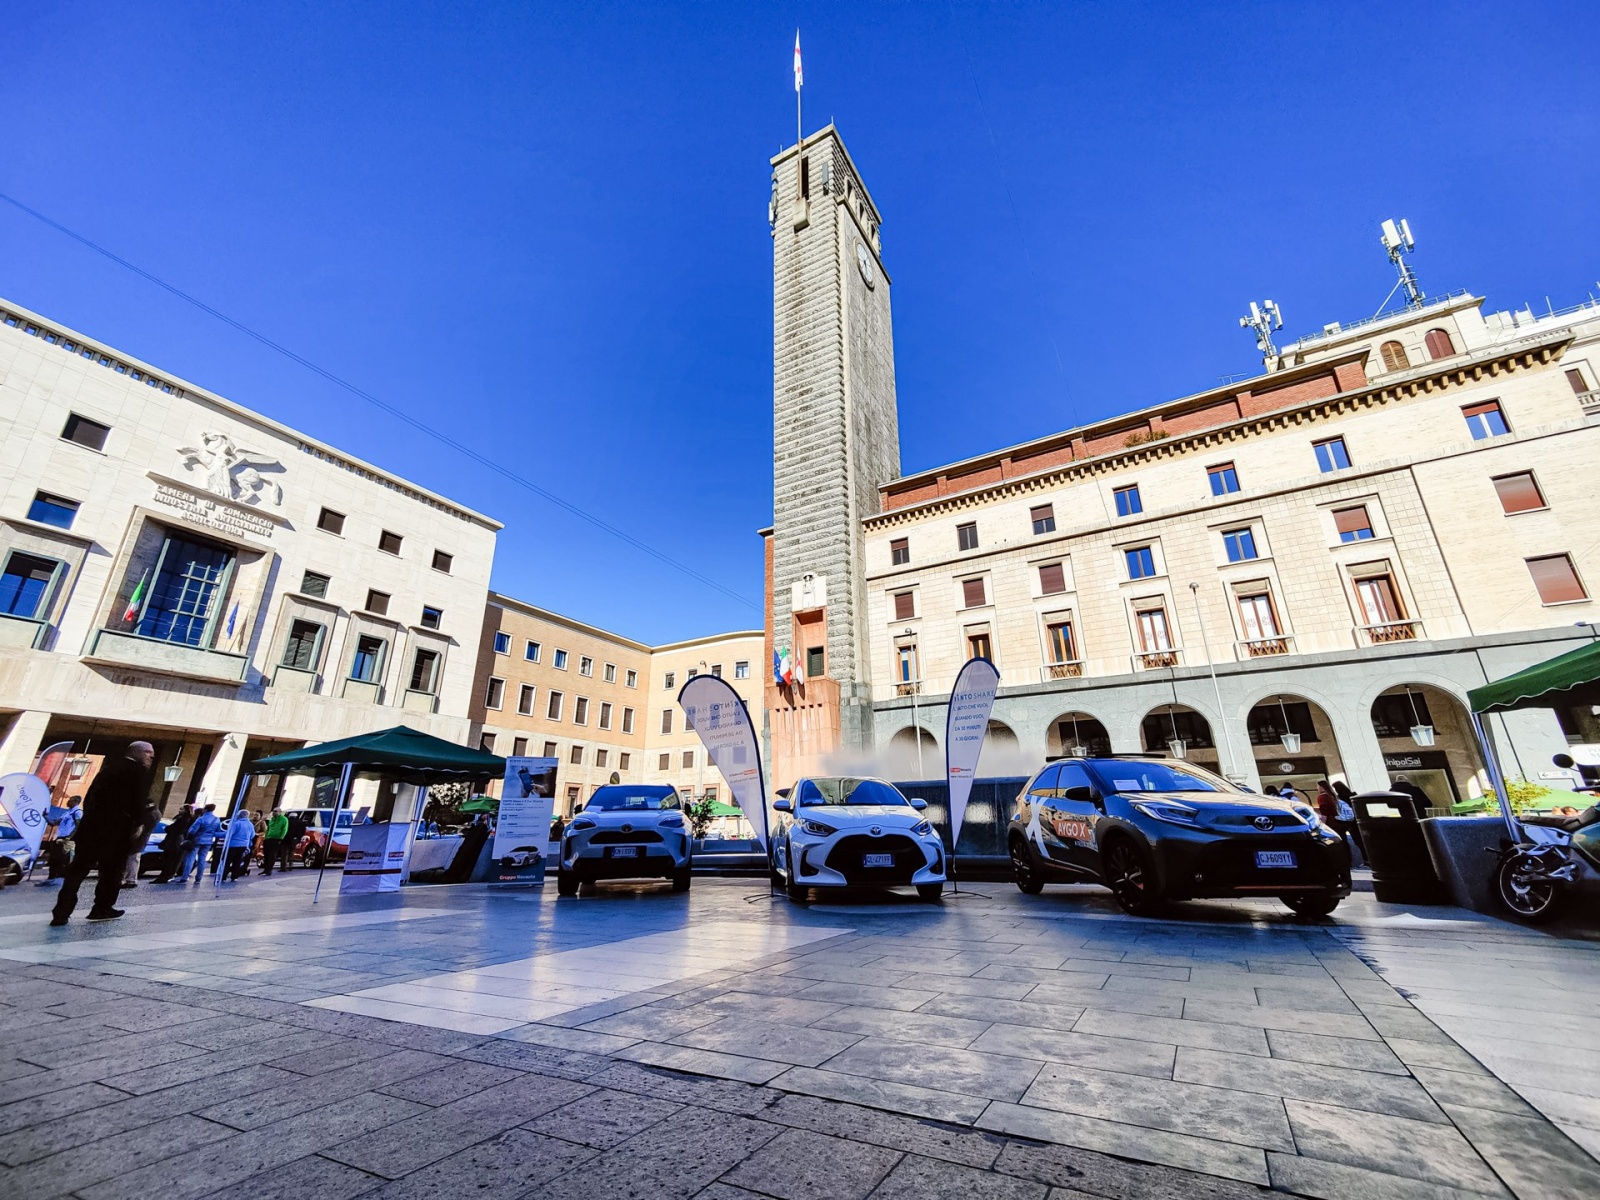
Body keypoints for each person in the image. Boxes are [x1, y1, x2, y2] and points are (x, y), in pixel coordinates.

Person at [50, 742, 154, 926]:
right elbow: (138, 801)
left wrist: (91, 818)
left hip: (91, 829)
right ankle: (101, 908)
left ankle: (61, 912)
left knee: (77, 870)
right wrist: (138, 823)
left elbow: (90, 797)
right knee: (112, 872)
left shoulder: (107, 770)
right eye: (147, 753)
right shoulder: (138, 772)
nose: (150, 756)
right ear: (135, 753)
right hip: (116, 831)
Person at [37, 796, 82, 886]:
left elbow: (79, 826)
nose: (68, 802)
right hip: (59, 838)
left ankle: (59, 879)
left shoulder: (78, 812)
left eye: (70, 800)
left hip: (67, 839)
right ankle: (51, 878)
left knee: (61, 859)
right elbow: (54, 823)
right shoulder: (67, 813)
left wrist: (69, 837)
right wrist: (45, 816)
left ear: (76, 801)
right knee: (53, 859)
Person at [178, 804, 221, 883]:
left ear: (205, 809)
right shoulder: (217, 819)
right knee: (202, 859)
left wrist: (188, 836)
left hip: (197, 840)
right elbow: (217, 831)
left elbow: (193, 830)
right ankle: (198, 878)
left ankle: (184, 877)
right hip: (208, 841)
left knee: (190, 858)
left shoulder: (201, 819)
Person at [154, 805, 195, 883]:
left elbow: (172, 828)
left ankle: (165, 876)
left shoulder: (182, 819)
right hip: (178, 840)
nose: (179, 810)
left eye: (181, 809)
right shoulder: (188, 819)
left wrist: (169, 829)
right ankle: (168, 875)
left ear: (186, 810)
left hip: (174, 840)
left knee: (170, 859)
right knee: (174, 859)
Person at [222, 810, 256, 881]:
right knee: (237, 861)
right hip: (244, 845)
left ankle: (223, 876)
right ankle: (234, 877)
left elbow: (229, 834)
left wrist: (216, 834)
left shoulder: (236, 823)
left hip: (233, 845)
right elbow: (252, 835)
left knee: (227, 861)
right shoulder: (250, 824)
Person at [261, 807, 289, 876]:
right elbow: (268, 829)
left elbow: (284, 829)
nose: (273, 812)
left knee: (272, 855)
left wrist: (281, 838)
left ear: (280, 812)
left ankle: (269, 870)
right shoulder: (272, 819)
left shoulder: (284, 819)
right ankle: (265, 869)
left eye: (275, 811)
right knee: (266, 854)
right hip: (268, 838)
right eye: (273, 811)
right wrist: (266, 836)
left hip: (276, 839)